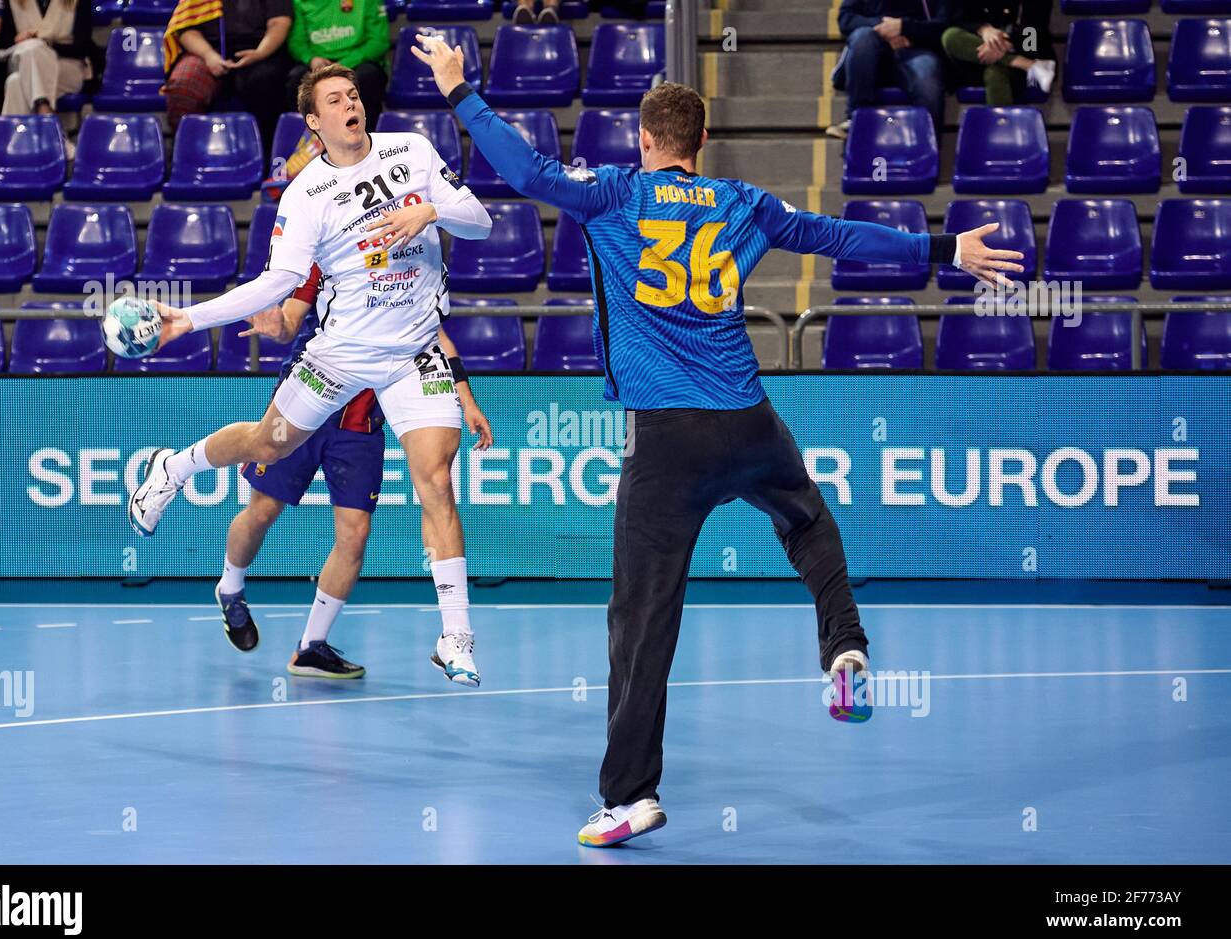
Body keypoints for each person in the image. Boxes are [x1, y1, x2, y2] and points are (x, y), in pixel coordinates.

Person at [412, 36, 1023, 847]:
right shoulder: (741, 201)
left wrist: (459, 87)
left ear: (645, 139)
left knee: (642, 617)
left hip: (666, 438)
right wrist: (944, 248)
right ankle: (843, 647)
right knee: (806, 518)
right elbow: (840, 237)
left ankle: (631, 795)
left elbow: (525, 173)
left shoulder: (613, 193)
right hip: (746, 418)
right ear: (701, 144)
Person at [130, 64, 495, 688]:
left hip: (412, 351)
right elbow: (277, 283)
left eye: (353, 95)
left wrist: (428, 210)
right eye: (335, 100)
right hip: (343, 350)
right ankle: (176, 466)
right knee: (269, 443)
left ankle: (455, 633)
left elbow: (480, 221)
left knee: (435, 476)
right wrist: (188, 320)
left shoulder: (413, 150)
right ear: (314, 123)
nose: (350, 104)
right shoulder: (306, 195)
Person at [216, 271, 383, 680]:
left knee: (355, 535)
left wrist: (462, 395)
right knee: (263, 511)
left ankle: (310, 647)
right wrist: (278, 324)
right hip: (304, 406)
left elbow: (434, 337)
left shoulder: (417, 272)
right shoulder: (332, 253)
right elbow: (292, 317)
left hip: (361, 425)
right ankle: (230, 587)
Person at [161, 0, 293, 155]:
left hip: (260, 52)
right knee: (183, 86)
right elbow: (186, 30)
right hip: (207, 52)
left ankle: (267, 155)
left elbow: (279, 23)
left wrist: (260, 53)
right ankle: (190, 156)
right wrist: (208, 55)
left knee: (265, 81)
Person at [827, 0, 952, 141]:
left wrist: (903, 28)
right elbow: (846, 19)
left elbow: (944, 24)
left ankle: (926, 144)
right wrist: (883, 27)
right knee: (862, 37)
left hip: (915, 47)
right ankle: (856, 120)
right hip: (874, 46)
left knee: (928, 75)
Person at [0, 0, 100, 141]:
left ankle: (12, 145)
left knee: (18, 76)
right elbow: (3, 43)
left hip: (68, 66)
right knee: (20, 70)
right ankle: (50, 126)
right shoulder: (13, 2)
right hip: (26, 64)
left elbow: (82, 48)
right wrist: (19, 40)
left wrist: (46, 44)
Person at [285, 0, 388, 134]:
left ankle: (365, 135)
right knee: (296, 79)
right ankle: (308, 140)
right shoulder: (300, 2)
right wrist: (311, 59)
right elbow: (296, 42)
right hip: (318, 62)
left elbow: (378, 41)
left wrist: (345, 63)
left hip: (358, 60)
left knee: (368, 76)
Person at [941, 0, 1055, 105]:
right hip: (977, 53)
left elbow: (1034, 32)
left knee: (995, 73)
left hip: (1024, 53)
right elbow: (958, 19)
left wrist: (1003, 41)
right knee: (950, 36)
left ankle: (1001, 126)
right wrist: (984, 29)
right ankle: (1026, 64)